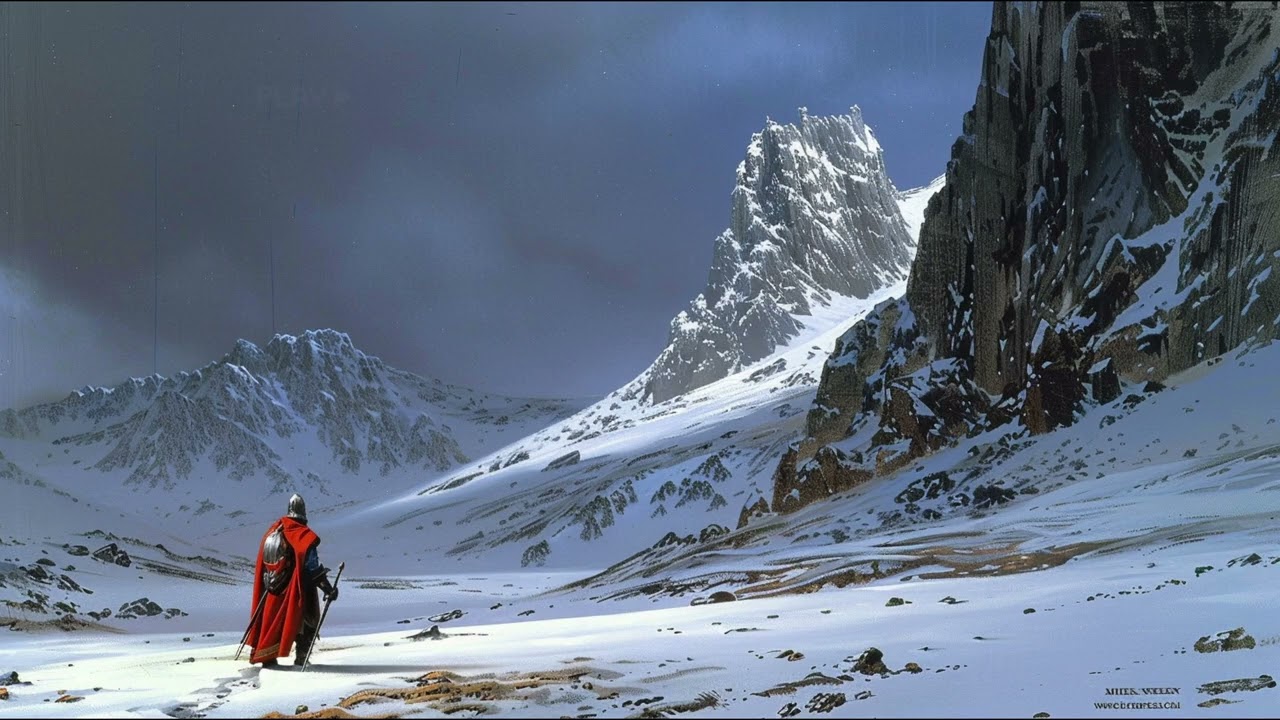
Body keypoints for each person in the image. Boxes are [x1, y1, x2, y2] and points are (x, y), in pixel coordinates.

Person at [245, 493, 338, 667]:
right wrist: (328, 589)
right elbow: (312, 567)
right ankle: (302, 658)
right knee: (307, 623)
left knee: (273, 624)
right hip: (297, 589)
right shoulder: (302, 535)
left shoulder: (273, 531)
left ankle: (268, 658)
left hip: (273, 589)